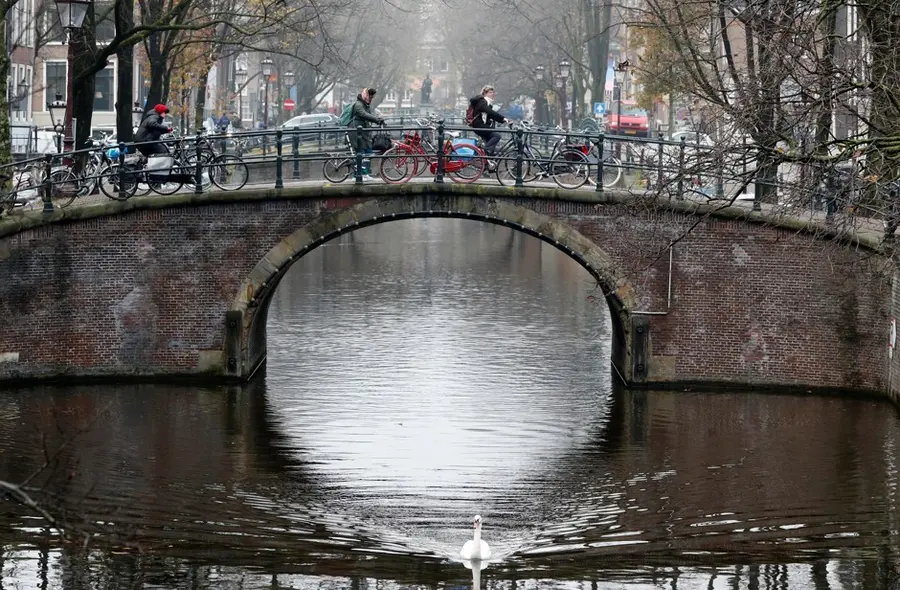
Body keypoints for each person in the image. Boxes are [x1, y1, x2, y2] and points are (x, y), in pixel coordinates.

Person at [348, 87, 385, 180]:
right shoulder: (358, 104)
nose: (371, 99)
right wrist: (376, 120)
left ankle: (365, 173)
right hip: (356, 132)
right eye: (370, 96)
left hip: (364, 132)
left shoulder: (366, 105)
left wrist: (378, 120)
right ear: (365, 95)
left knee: (369, 152)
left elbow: (368, 116)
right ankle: (357, 175)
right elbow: (363, 114)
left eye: (372, 97)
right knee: (360, 152)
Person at [468, 85, 507, 170]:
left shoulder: (487, 103)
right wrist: (503, 118)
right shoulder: (482, 101)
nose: (492, 94)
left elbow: (489, 115)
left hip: (482, 126)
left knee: (491, 146)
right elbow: (490, 112)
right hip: (479, 126)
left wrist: (502, 121)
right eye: (489, 92)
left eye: (492, 92)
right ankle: (484, 152)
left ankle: (488, 166)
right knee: (497, 136)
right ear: (485, 93)